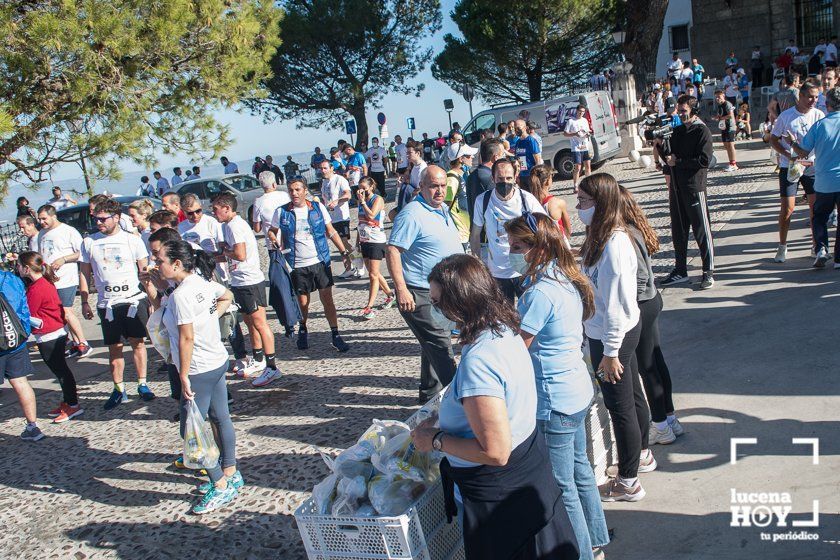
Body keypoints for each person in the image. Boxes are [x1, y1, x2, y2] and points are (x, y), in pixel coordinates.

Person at [411, 254, 579, 560]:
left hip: (500, 498)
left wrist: (433, 440)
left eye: (437, 303)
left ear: (459, 303)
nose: (433, 310)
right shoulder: (503, 327)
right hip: (528, 473)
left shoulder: (480, 360)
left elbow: (495, 451)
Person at [505, 213, 609, 559]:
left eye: (517, 245)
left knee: (563, 485)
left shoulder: (539, 292)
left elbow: (519, 347)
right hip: (576, 389)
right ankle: (596, 538)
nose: (510, 250)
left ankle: (582, 552)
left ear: (537, 247)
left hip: (556, 399)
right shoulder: (564, 277)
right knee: (580, 470)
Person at [577, 173, 655, 502]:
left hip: (615, 337)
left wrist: (609, 352)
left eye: (583, 201)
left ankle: (628, 481)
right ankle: (642, 455)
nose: (577, 206)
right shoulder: (600, 235)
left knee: (619, 407)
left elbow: (619, 305)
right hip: (607, 334)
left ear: (601, 202)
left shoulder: (616, 245)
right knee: (632, 396)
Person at [155, 239, 242, 514]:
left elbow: (186, 337)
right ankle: (230, 471)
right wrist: (211, 316)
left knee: (189, 430)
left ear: (177, 263)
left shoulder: (181, 296)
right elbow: (226, 295)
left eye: (161, 262)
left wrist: (183, 374)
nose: (157, 266)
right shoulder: (202, 284)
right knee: (220, 417)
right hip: (217, 360)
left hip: (199, 368)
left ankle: (219, 484)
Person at [386, 166, 463, 403]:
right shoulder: (412, 214)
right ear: (421, 186)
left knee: (432, 344)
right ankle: (460, 400)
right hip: (419, 292)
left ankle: (429, 397)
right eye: (433, 186)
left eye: (442, 186)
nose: (439, 191)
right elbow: (392, 250)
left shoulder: (440, 209)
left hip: (443, 292)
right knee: (439, 342)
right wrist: (401, 289)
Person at [617, 187, 683, 444]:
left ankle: (661, 426)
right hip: (652, 301)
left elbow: (641, 277)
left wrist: (631, 302)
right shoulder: (635, 229)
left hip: (643, 304)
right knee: (656, 362)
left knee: (647, 367)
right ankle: (669, 417)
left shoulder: (627, 236)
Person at [79, 197, 153, 409]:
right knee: (115, 347)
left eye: (103, 219)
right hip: (107, 303)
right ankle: (118, 388)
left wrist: (151, 299)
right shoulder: (89, 242)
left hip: (132, 300)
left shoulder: (132, 240)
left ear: (116, 218)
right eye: (96, 219)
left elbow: (144, 271)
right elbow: (84, 274)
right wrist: (85, 300)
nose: (99, 223)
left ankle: (142, 384)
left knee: (137, 342)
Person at [271, 178, 352, 353]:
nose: (294, 193)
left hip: (319, 260)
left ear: (305, 191)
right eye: (291, 190)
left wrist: (344, 252)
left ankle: (335, 334)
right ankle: (303, 328)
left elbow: (330, 231)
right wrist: (273, 239)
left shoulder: (317, 208)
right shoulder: (282, 212)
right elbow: (272, 230)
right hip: (297, 264)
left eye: (298, 189)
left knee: (327, 299)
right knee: (303, 301)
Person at [212, 193, 281, 386]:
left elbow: (240, 254)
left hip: (250, 281)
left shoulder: (235, 225)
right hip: (239, 281)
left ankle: (272, 367)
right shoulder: (228, 226)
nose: (214, 212)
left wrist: (225, 251)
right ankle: (258, 359)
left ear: (226, 208)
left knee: (260, 323)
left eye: (216, 209)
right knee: (250, 323)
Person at [657, 95, 716, 289]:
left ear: (693, 109)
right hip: (676, 188)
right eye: (679, 111)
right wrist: (659, 143)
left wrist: (679, 162)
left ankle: (708, 271)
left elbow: (704, 161)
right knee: (678, 232)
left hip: (694, 187)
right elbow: (668, 158)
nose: (681, 114)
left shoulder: (702, 131)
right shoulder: (677, 130)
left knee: (702, 231)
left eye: (684, 111)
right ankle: (680, 270)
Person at [18, 251, 84, 424]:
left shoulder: (37, 287)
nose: (16, 269)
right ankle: (68, 401)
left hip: (49, 334)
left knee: (61, 372)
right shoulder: (44, 282)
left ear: (26, 268)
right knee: (61, 370)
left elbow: (29, 312)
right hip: (54, 332)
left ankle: (73, 405)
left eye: (18, 265)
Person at [469, 159, 546, 302]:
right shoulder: (483, 201)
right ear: (493, 178)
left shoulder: (526, 199)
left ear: (515, 177)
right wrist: (478, 266)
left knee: (528, 313)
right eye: (500, 178)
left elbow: (547, 229)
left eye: (509, 178)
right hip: (497, 273)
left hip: (525, 270)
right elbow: (475, 235)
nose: (505, 182)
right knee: (505, 317)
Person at [769, 82, 824, 263]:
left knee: (814, 207)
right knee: (788, 209)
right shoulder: (786, 116)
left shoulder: (819, 115)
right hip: (789, 167)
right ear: (800, 96)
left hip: (811, 167)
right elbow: (774, 139)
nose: (813, 101)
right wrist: (787, 155)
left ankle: (816, 245)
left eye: (816, 97)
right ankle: (782, 246)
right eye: (809, 97)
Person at [789, 86, 840, 268]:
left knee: (819, 217)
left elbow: (803, 153)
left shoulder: (819, 125)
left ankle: (821, 249)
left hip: (824, 181)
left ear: (827, 105)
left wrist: (791, 142)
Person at [35, 205, 90, 358]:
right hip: (50, 279)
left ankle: (84, 342)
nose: (42, 222)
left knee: (67, 311)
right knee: (60, 313)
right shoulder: (42, 234)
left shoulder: (68, 231)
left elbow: (82, 252)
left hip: (66, 278)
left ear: (53, 216)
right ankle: (75, 342)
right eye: (40, 219)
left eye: (44, 218)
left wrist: (63, 259)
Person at [0, 268, 44, 441]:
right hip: (15, 338)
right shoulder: (12, 279)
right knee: (20, 382)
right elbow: (23, 307)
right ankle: (32, 426)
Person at [354, 177, 395, 319]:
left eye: (364, 188)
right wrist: (357, 243)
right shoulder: (360, 201)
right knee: (374, 273)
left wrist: (363, 202)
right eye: (359, 187)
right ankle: (390, 295)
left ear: (371, 187)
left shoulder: (377, 199)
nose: (361, 191)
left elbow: (371, 216)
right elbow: (361, 222)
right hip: (364, 240)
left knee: (373, 275)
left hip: (376, 240)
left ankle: (369, 307)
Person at [318, 159, 358, 279]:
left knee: (345, 243)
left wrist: (337, 201)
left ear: (331, 168)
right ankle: (348, 268)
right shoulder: (324, 183)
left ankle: (359, 262)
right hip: (330, 218)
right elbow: (325, 199)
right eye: (321, 168)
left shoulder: (339, 179)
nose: (323, 171)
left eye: (325, 168)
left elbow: (348, 194)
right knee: (339, 245)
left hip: (341, 216)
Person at [526, 164, 571, 241]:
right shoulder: (558, 203)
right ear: (547, 181)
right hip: (557, 246)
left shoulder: (527, 201)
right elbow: (567, 230)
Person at [445, 144, 476, 250]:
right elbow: (445, 204)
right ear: (461, 159)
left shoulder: (463, 175)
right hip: (459, 234)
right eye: (469, 155)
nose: (472, 157)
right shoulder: (451, 179)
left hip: (466, 232)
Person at [466, 139, 505, 225]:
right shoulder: (489, 178)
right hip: (488, 232)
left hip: (476, 228)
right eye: (503, 155)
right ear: (496, 157)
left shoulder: (471, 176)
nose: (505, 158)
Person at [390, 139, 427, 220]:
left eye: (409, 153)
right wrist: (404, 180)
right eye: (407, 153)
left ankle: (402, 213)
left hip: (417, 200)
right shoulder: (414, 165)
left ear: (418, 153)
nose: (407, 155)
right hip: (411, 197)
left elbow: (419, 190)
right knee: (391, 214)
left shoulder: (422, 168)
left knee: (406, 188)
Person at [564, 105, 592, 192]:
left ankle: (589, 184)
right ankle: (575, 186)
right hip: (576, 147)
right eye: (580, 111)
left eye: (583, 112)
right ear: (576, 111)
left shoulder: (585, 120)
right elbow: (565, 133)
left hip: (585, 146)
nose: (581, 113)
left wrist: (588, 134)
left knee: (587, 165)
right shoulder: (571, 121)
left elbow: (588, 131)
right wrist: (574, 134)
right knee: (578, 167)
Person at [713, 89, 739, 172]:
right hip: (724, 127)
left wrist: (720, 118)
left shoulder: (727, 104)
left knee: (730, 145)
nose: (717, 98)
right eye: (716, 97)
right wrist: (717, 118)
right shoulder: (720, 105)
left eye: (719, 96)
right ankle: (731, 162)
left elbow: (730, 116)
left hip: (730, 127)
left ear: (723, 95)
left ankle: (733, 164)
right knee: (726, 145)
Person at [512, 118, 542, 185]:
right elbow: (518, 160)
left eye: (518, 127)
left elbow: (538, 160)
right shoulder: (518, 142)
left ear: (525, 127)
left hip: (531, 175)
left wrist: (536, 176)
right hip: (522, 176)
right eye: (515, 128)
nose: (516, 130)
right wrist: (517, 175)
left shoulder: (531, 141)